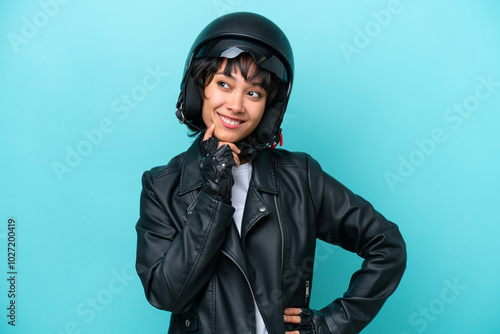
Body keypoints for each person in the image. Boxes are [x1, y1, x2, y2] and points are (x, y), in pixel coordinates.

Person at [135, 12, 406, 334]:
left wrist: (332, 324)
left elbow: (386, 245)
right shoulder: (161, 185)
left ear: (268, 108)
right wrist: (213, 195)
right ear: (199, 87)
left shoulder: (300, 177)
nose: (236, 105)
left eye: (253, 93)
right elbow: (167, 295)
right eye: (224, 84)